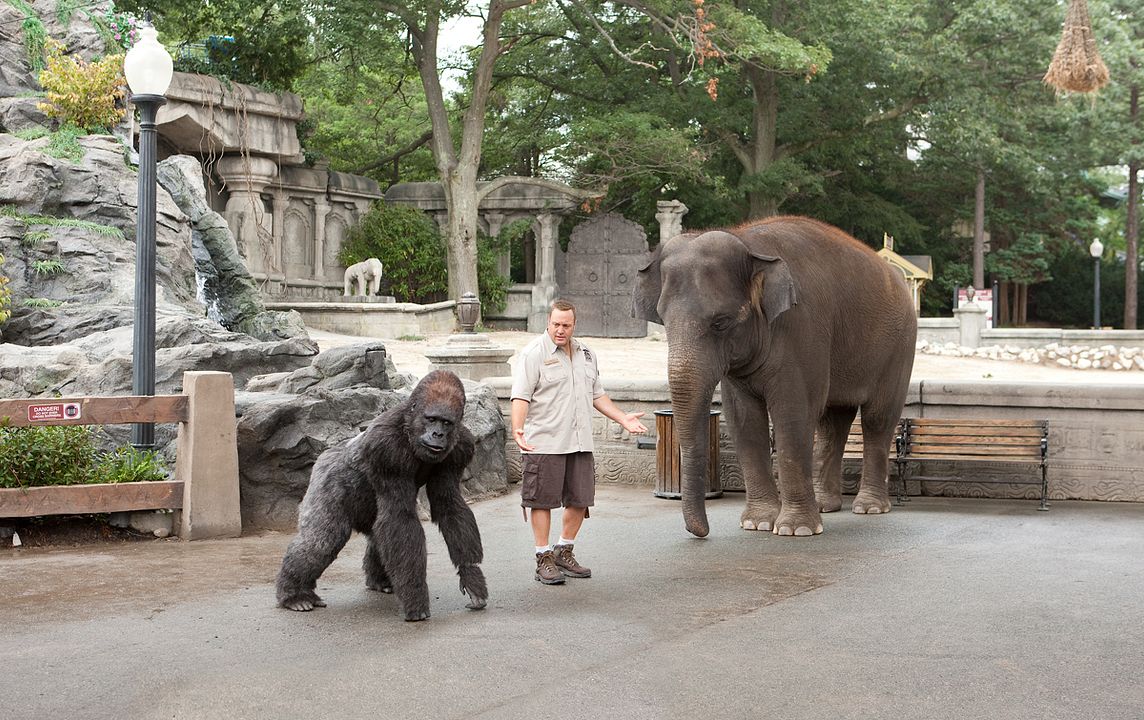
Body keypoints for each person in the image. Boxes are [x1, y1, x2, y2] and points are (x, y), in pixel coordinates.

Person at [510, 299, 648, 585]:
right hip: (545, 441)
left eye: (566, 325)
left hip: (580, 441)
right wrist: (518, 428)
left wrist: (622, 418)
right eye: (556, 324)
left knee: (580, 499)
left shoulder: (586, 354)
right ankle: (543, 557)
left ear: (574, 325)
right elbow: (521, 396)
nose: (560, 330)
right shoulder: (533, 354)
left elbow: (597, 394)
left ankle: (564, 550)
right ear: (548, 323)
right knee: (541, 501)